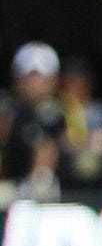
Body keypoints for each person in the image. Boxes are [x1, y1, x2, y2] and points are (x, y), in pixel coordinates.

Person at [1, 41, 64, 197]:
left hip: (47, 188)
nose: (35, 83)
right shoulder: (6, 109)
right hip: (9, 186)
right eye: (29, 76)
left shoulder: (63, 111)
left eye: (41, 77)